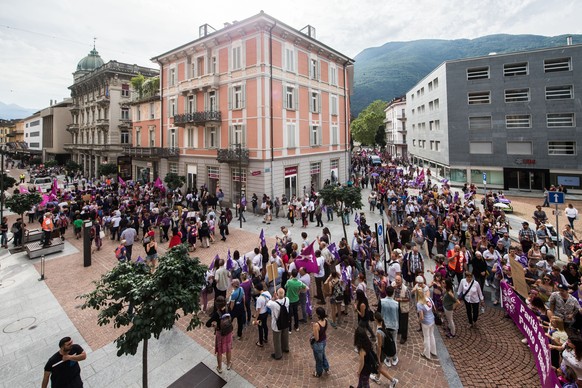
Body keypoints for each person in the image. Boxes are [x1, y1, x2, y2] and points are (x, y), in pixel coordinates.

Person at [205, 296, 233, 374]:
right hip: (228, 332)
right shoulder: (228, 309)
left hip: (220, 334)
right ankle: (228, 364)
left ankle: (220, 368)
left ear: (217, 305)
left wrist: (214, 325)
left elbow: (207, 324)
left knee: (219, 352)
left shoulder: (216, 314)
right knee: (228, 349)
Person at [372, 313, 400, 388]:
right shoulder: (383, 326)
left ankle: (393, 380)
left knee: (379, 368)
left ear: (375, 319)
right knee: (379, 366)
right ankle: (377, 378)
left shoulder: (379, 331)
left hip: (381, 352)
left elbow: (379, 346)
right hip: (384, 350)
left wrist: (378, 357)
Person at [266, 288, 290, 360]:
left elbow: (267, 304)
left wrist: (273, 298)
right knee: (285, 335)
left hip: (277, 323)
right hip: (285, 321)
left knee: (277, 339)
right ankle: (286, 348)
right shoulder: (287, 300)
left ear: (277, 295)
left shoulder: (273, 304)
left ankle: (278, 354)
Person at [379, 286, 399, 366]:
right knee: (394, 341)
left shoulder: (381, 301)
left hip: (385, 325)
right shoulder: (397, 303)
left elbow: (379, 313)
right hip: (394, 325)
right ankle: (394, 358)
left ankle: (387, 359)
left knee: (386, 342)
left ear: (386, 293)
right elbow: (398, 315)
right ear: (393, 293)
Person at [416, 288, 437, 360]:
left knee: (426, 337)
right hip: (432, 320)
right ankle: (433, 351)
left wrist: (418, 321)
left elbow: (421, 317)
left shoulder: (419, 303)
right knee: (432, 335)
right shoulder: (429, 299)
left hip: (425, 322)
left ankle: (427, 354)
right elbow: (434, 308)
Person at [311, 307, 330, 378]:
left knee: (318, 359)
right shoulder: (325, 320)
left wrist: (314, 328)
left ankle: (318, 373)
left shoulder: (316, 325)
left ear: (318, 315)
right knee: (323, 355)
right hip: (324, 341)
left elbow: (316, 338)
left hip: (318, 344)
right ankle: (326, 368)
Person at [392, 275, 410, 345]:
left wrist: (400, 299)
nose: (397, 281)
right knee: (397, 318)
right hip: (395, 305)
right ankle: (399, 330)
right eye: (396, 280)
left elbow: (408, 298)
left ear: (401, 281)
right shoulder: (393, 285)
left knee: (404, 321)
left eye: (398, 280)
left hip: (403, 306)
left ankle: (404, 337)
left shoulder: (405, 288)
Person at [253, 282, 271, 347]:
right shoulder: (267, 293)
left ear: (258, 289)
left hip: (260, 315)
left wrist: (255, 320)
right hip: (266, 313)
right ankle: (265, 338)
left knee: (260, 328)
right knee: (265, 325)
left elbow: (258, 311)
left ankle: (260, 342)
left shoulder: (259, 299)